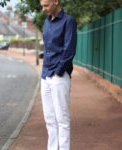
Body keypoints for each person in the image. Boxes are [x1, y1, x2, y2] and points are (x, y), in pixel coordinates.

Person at [40, 0, 77, 149]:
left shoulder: (68, 21)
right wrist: (45, 72)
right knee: (50, 119)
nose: (43, 9)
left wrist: (59, 72)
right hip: (45, 75)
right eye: (42, 5)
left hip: (59, 76)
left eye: (46, 5)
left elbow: (69, 50)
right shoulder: (47, 22)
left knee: (62, 119)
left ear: (56, 2)